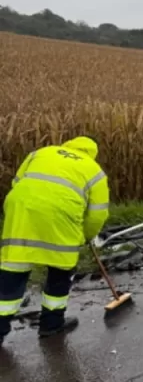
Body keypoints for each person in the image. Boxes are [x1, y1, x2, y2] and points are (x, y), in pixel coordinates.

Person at [0, 136, 110, 345]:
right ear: (93, 153)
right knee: (61, 270)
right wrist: (86, 236)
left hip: (21, 211)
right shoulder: (94, 171)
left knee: (13, 270)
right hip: (61, 217)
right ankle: (51, 324)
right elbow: (97, 214)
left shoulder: (41, 153)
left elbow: (16, 182)